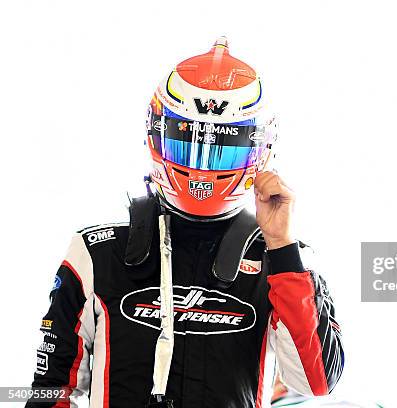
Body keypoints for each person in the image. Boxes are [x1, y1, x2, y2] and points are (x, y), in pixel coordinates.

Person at [26, 37, 344, 408]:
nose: (203, 167)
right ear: (157, 134)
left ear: (260, 150)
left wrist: (284, 248)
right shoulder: (97, 251)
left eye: (223, 148)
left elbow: (316, 381)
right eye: (187, 143)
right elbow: (49, 389)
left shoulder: (283, 261)